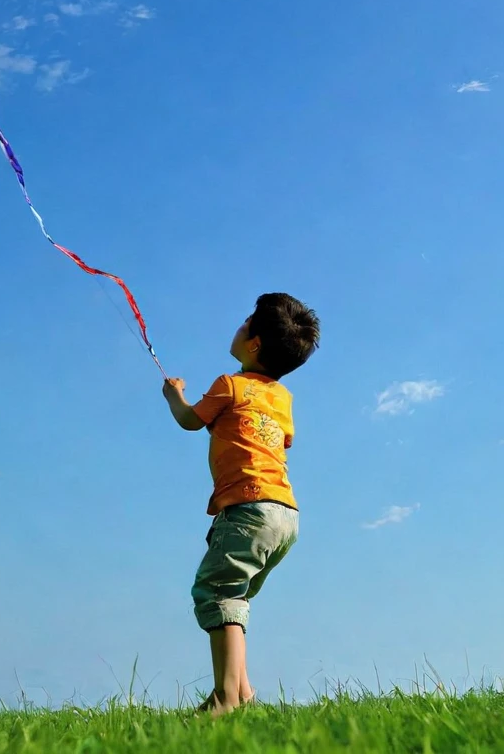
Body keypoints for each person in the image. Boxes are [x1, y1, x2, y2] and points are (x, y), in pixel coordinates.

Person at [162, 291, 320, 716]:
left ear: (253, 344)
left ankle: (226, 696)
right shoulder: (282, 399)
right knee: (235, 599)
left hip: (249, 510)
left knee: (216, 593)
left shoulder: (230, 384)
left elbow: (191, 420)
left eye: (246, 322)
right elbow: (283, 439)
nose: (240, 325)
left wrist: (174, 394)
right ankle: (244, 694)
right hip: (284, 514)